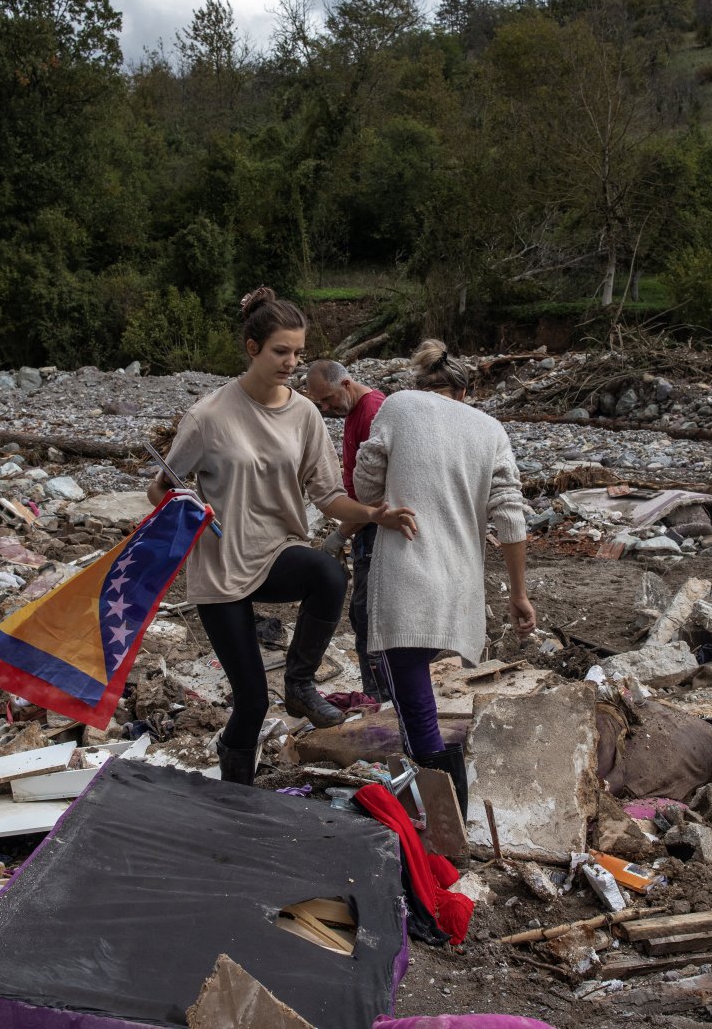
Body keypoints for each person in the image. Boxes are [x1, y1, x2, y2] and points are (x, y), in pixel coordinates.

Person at [150, 288, 418, 786]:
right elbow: (162, 489)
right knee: (250, 702)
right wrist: (180, 501)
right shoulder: (208, 416)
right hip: (220, 568)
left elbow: (328, 496)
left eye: (298, 352)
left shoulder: (305, 415)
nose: (292, 363)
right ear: (252, 348)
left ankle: (299, 684)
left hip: (274, 553)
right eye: (281, 352)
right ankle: (237, 792)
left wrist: (372, 514)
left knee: (326, 574)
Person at [353, 339, 536, 818]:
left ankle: (439, 809)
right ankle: (440, 801)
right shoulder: (490, 429)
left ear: (422, 384)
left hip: (408, 580)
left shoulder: (397, 405)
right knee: (418, 688)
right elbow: (511, 517)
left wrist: (386, 498)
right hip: (460, 587)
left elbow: (366, 484)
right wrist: (518, 594)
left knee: (410, 696)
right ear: (464, 390)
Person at [304, 359, 386, 701]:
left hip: (377, 530)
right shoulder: (354, 412)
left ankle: (380, 700)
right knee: (362, 613)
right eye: (320, 403)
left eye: (328, 399)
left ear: (347, 383)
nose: (326, 408)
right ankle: (377, 695)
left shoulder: (372, 411)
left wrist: (341, 535)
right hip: (366, 527)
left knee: (370, 617)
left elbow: (378, 493)